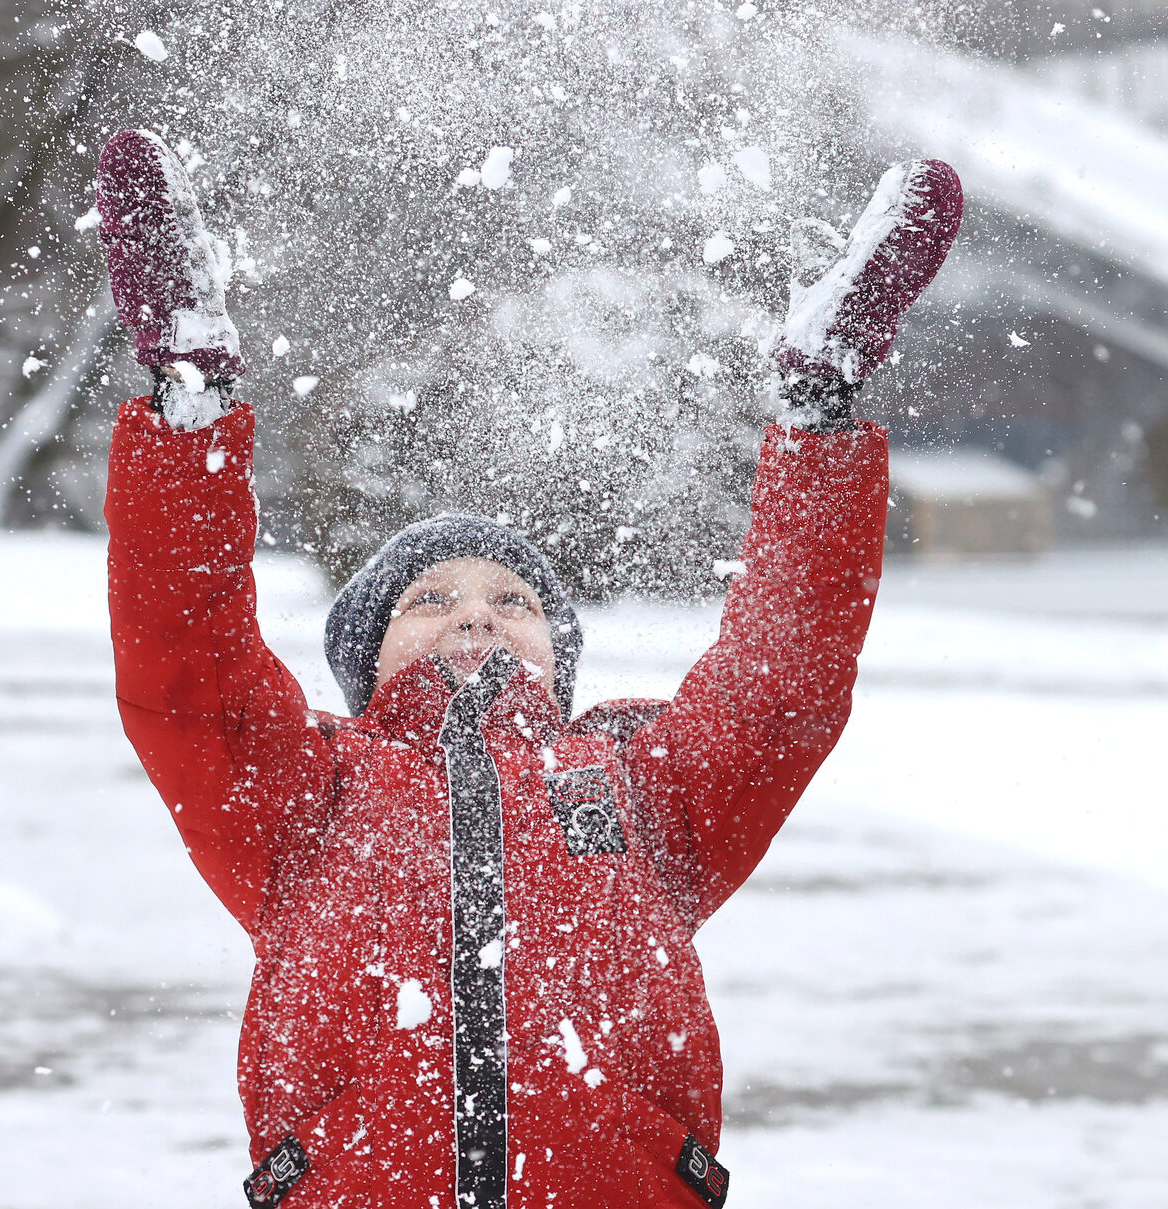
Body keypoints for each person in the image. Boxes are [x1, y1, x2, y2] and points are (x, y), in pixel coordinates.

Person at [97, 129, 962, 1209]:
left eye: (513, 601)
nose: (479, 618)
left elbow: (783, 674)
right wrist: (191, 405)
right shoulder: (306, 795)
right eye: (431, 600)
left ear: (560, 655)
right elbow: (191, 662)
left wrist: (818, 417)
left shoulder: (645, 783)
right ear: (366, 661)